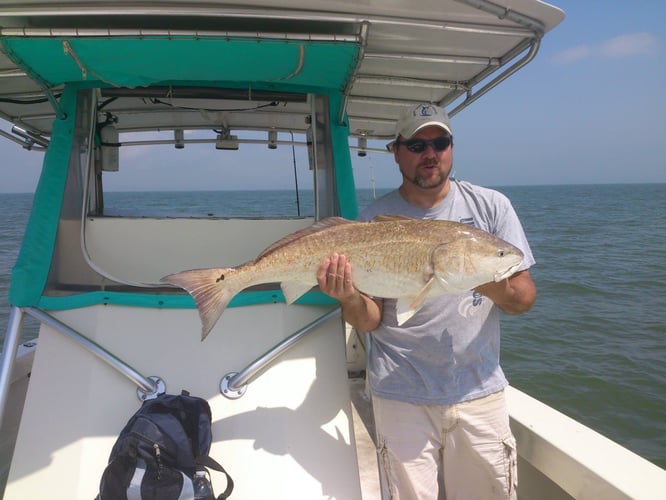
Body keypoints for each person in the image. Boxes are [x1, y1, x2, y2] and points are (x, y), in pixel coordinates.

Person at [317, 103, 536, 499]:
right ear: (396, 151)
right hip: (400, 394)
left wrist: (479, 274)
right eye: (417, 145)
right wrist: (347, 295)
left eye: (440, 142)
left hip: (479, 391)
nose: (430, 154)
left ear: (451, 147)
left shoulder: (490, 207)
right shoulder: (372, 221)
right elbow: (368, 321)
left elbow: (522, 299)